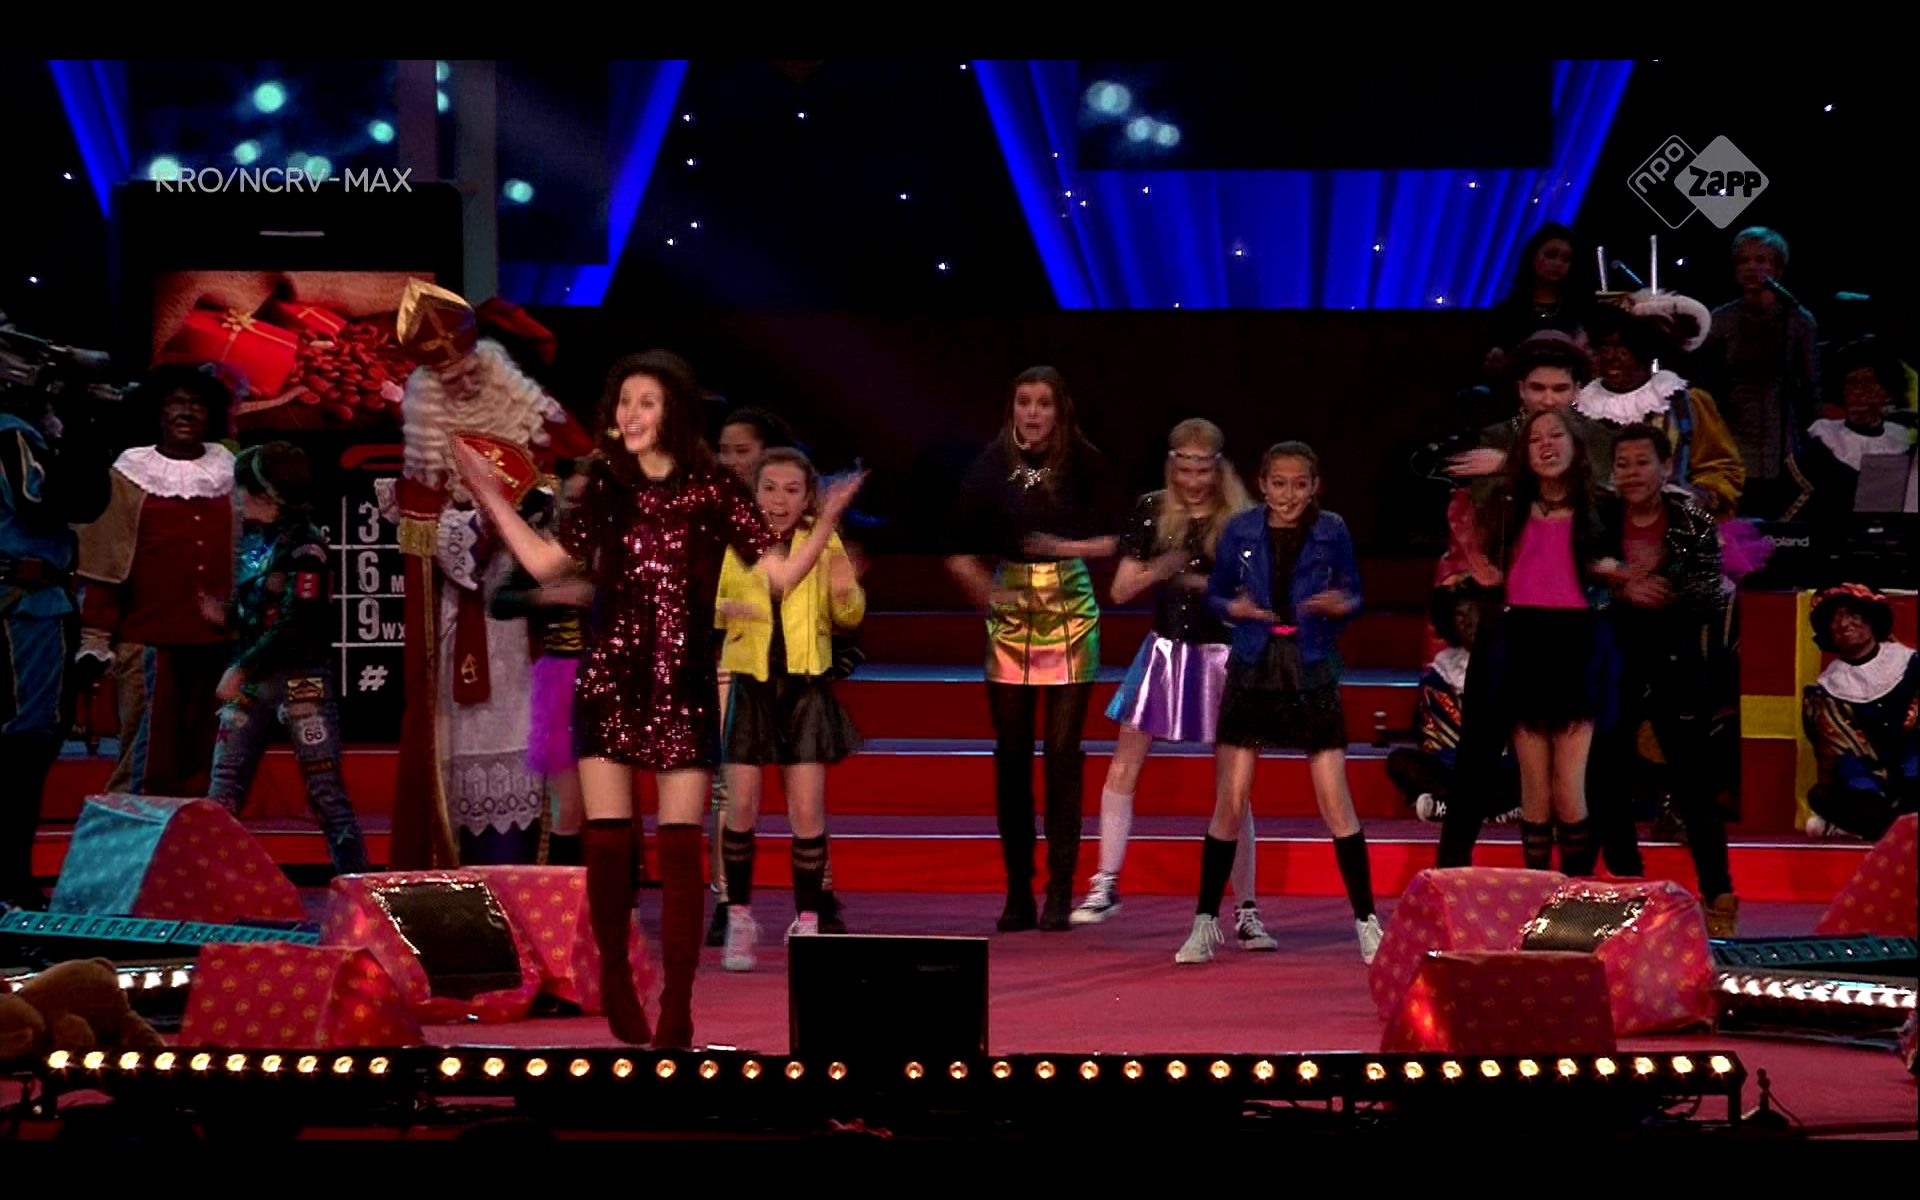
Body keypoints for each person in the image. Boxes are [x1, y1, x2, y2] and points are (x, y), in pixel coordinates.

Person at [454, 349, 863, 1049]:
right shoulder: (603, 489)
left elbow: (779, 577)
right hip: (610, 680)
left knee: (678, 851)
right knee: (610, 845)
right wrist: (490, 495)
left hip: (682, 684)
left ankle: (678, 999)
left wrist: (827, 520)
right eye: (624, 401)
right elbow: (548, 564)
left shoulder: (714, 489)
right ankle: (616, 973)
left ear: (672, 410)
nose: (631, 413)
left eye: (646, 401)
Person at [383, 280, 591, 869]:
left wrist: (543, 511)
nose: (465, 384)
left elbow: (588, 487)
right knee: (470, 759)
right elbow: (427, 543)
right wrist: (477, 524)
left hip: (540, 629)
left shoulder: (540, 419)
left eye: (471, 370)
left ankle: (550, 885)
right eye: (449, 380)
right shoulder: (424, 455)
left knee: (553, 767)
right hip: (464, 623)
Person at [1072, 419, 1278, 950]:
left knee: (1234, 786)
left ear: (1218, 468)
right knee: (1124, 762)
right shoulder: (1151, 510)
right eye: (1184, 470)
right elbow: (1120, 590)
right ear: (1172, 466)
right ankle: (1106, 882)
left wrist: (1200, 581)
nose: (1193, 481)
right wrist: (1161, 568)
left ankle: (1246, 907)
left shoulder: (1241, 521)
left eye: (1202, 471)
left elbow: (1257, 595)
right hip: (1166, 652)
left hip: (1224, 656)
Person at [1177, 442, 1380, 965]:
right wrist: (1237, 608)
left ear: (1315, 487)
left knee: (1336, 801)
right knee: (1230, 800)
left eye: (1300, 485)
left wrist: (1339, 604)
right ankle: (1204, 923)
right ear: (1263, 484)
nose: (1289, 495)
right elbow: (1217, 594)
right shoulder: (1242, 528)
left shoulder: (1332, 529)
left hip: (1310, 664)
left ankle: (1367, 922)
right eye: (1279, 484)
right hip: (1254, 663)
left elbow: (1355, 593)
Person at [946, 367, 1119, 933]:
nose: (1033, 413)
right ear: (1012, 408)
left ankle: (1060, 890)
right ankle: (1017, 890)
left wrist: (1063, 548)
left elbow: (1117, 539)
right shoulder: (989, 465)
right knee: (1013, 754)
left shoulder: (1085, 461)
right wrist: (984, 592)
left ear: (1059, 409)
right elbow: (959, 548)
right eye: (1024, 402)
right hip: (1011, 610)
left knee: (1063, 752)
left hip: (1069, 606)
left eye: (1043, 403)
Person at [714, 448, 865, 969]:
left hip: (804, 688)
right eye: (770, 488)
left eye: (792, 490)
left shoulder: (822, 542)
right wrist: (730, 609)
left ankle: (808, 920)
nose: (779, 499)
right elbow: (711, 605)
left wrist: (844, 589)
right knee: (741, 807)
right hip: (751, 685)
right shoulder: (737, 541)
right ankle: (738, 917)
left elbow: (849, 615)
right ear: (754, 492)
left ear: (806, 498)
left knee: (806, 814)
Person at [1592, 425, 1737, 934]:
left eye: (1642, 462)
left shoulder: (1692, 523)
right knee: (1609, 784)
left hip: (1678, 668)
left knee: (1695, 789)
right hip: (1613, 667)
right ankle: (1630, 891)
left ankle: (1719, 898)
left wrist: (1661, 590)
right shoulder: (1601, 521)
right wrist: (1620, 590)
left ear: (1666, 467)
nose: (1632, 473)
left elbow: (1709, 599)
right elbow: (1578, 584)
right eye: (1623, 464)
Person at [203, 443, 369, 876]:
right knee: (223, 788)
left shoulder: (308, 549)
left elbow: (298, 621)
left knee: (325, 791)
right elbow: (258, 609)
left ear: (266, 495)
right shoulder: (254, 542)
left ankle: (358, 886)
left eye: (242, 489)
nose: (237, 498)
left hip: (301, 682)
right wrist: (227, 615)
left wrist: (242, 666)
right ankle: (207, 886)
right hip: (253, 683)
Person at [74, 364, 236, 798]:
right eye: (176, 403)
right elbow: (106, 558)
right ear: (157, 412)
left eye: (197, 404)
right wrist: (96, 636)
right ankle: (128, 838)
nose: (186, 412)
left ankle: (194, 837)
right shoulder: (129, 474)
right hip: (147, 640)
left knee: (205, 759)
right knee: (144, 757)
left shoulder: (231, 472)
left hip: (217, 642)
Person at [0, 332, 113, 908]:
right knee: (23, 741)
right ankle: (9, 884)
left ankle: (11, 881)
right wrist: (83, 424)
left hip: (37, 599)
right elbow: (53, 502)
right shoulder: (10, 433)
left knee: (30, 742)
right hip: (21, 603)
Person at [1474, 409, 1608, 875]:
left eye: (1556, 436)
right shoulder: (1508, 508)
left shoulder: (1597, 509)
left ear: (1576, 446)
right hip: (1524, 644)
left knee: (1569, 790)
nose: (1547, 445)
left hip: (1576, 647)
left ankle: (1574, 897)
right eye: (1536, 440)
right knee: (1534, 790)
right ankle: (1534, 895)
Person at [488, 459, 593, 867]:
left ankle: (617, 896)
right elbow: (500, 601)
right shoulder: (545, 546)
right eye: (572, 499)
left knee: (609, 805)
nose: (578, 508)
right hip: (561, 677)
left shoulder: (619, 543)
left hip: (610, 677)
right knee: (569, 807)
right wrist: (549, 597)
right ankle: (566, 899)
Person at [1577, 292, 1745, 515]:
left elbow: (1721, 467)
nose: (1611, 356)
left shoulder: (1686, 404)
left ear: (1645, 350)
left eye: (1622, 347)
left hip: (1671, 525)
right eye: (1602, 346)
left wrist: (1698, 496)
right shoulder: (1579, 407)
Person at [1701, 228, 1820, 520]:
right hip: (1733, 436)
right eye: (1744, 261)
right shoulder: (1720, 319)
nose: (1752, 267)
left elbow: (1811, 386)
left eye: (1761, 260)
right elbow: (1708, 384)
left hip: (1782, 441)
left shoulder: (1798, 319)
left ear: (1778, 269)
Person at [1386, 580, 1520, 827]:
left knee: (1528, 773)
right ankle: (1492, 810)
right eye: (1460, 615)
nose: (1468, 622)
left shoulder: (1512, 664)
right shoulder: (1439, 675)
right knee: (1399, 763)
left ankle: (1452, 808)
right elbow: (1430, 739)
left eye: (1474, 612)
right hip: (1454, 769)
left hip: (1501, 770)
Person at [1801, 585, 1918, 841]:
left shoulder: (1912, 665)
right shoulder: (1825, 693)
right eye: (1835, 619)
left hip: (1914, 776)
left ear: (1871, 619)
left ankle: (1885, 827)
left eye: (1853, 614)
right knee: (1820, 796)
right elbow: (1841, 756)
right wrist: (1868, 789)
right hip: (1870, 792)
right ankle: (1895, 828)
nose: (1844, 624)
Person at [1801, 339, 1918, 522]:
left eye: (1867, 382)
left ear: (1887, 393)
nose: (1858, 391)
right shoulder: (1821, 443)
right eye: (1851, 383)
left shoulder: (1903, 446)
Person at [1483, 224, 1592, 377]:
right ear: (1532, 257)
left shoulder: (1579, 310)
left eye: (1566, 259)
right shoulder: (1508, 310)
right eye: (1551, 255)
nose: (1558, 264)